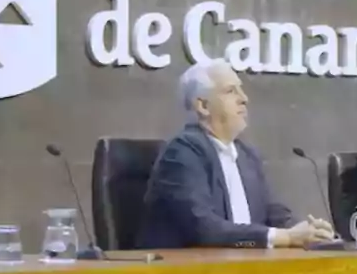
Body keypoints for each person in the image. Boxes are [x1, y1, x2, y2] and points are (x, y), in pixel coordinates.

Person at [137, 59, 335, 248]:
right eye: (231, 91)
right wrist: (285, 237)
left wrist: (307, 231)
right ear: (203, 106)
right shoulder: (182, 151)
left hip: (242, 268)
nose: (244, 99)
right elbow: (203, 228)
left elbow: (275, 213)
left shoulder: (247, 154)